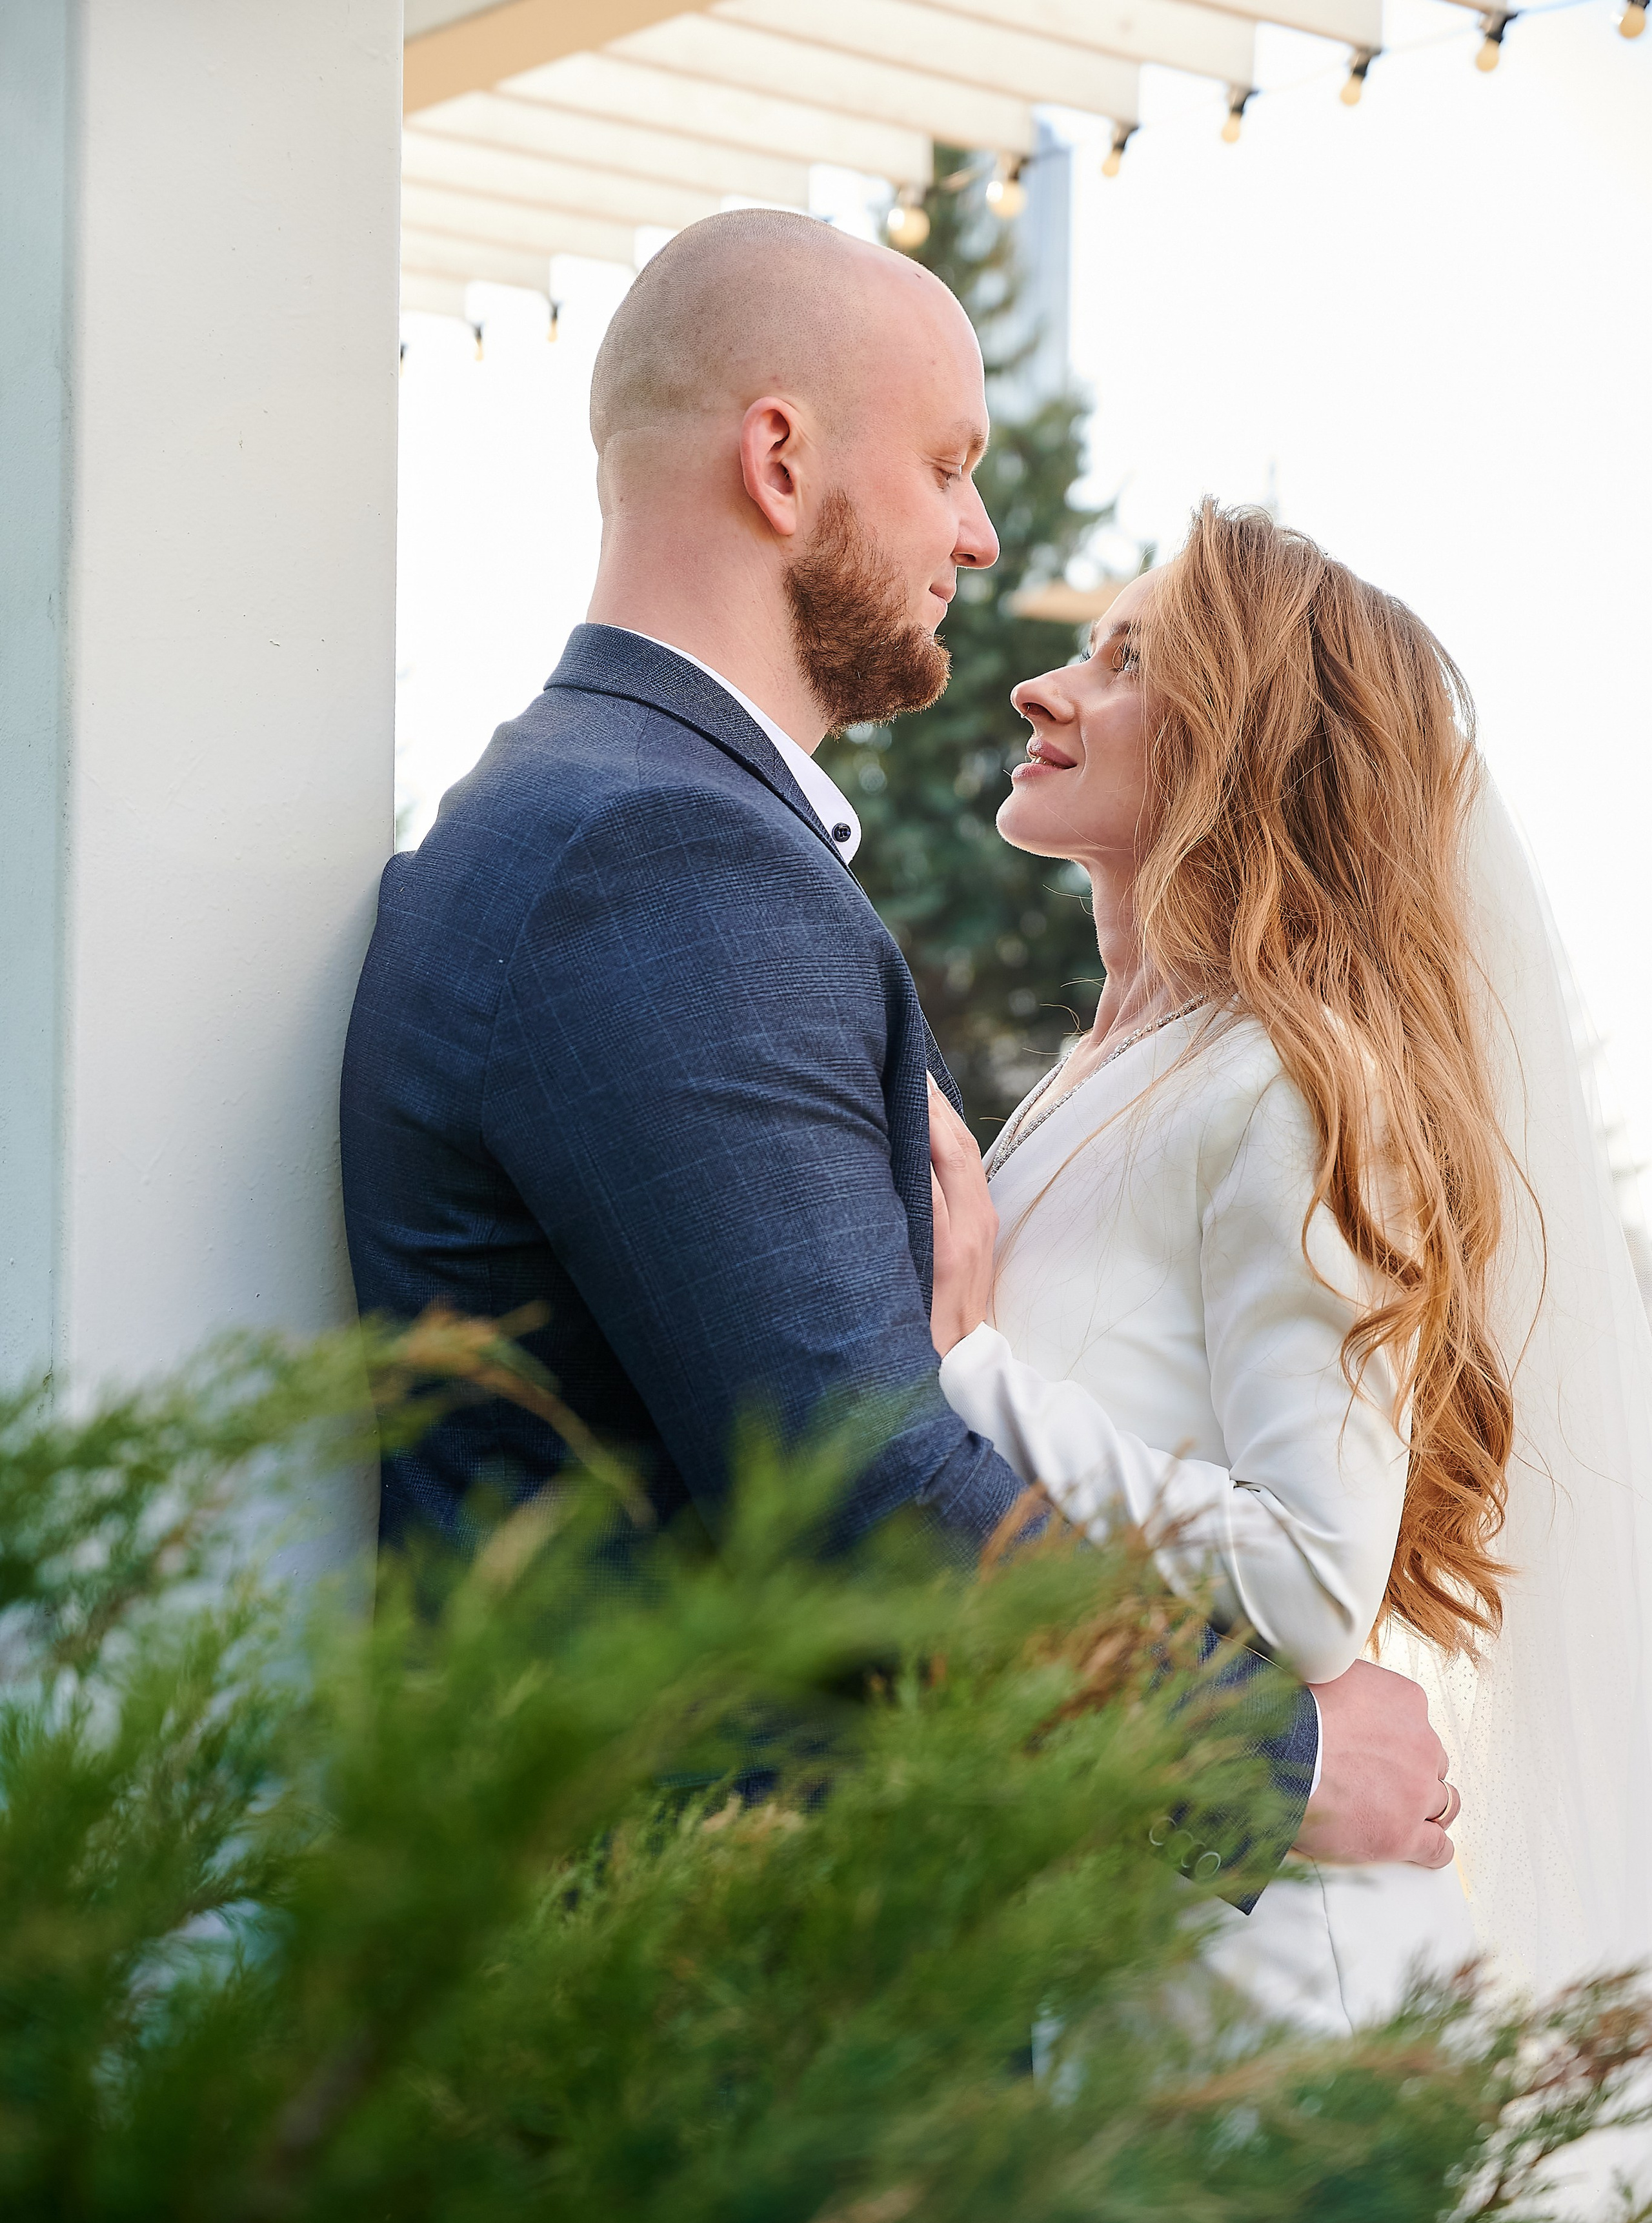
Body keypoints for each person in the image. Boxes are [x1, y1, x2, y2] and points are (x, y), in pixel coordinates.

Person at [340, 211, 1447, 1908]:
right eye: (945, 465)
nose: (981, 537)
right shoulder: (660, 854)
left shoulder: (594, 812)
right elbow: (849, 1479)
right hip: (711, 1963)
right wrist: (1267, 1757)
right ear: (780, 463)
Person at [927, 499, 1652, 2015]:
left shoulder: (1288, 1081)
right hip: (1117, 1922)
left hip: (1263, 1979)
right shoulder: (1095, 1080)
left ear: (1242, 742)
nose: (1042, 690)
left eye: (1126, 664)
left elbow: (1313, 1579)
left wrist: (973, 1376)